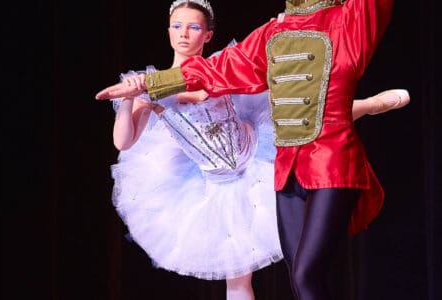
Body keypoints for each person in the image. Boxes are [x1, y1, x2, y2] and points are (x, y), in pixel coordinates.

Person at [97, 1, 401, 299]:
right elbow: (219, 69)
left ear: (207, 33)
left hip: (325, 162)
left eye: (193, 26)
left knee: (306, 274)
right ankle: (370, 105)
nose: (184, 33)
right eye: (177, 26)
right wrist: (146, 85)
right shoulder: (273, 31)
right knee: (298, 276)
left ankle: (371, 105)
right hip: (280, 170)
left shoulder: (346, 19)